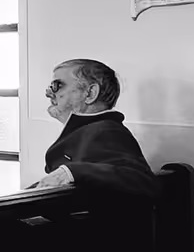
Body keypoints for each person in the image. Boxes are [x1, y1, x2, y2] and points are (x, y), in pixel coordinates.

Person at [27, 58, 160, 199]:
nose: (48, 93)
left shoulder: (107, 131)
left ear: (90, 93)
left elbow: (142, 182)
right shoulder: (93, 128)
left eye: (57, 85)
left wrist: (69, 172)